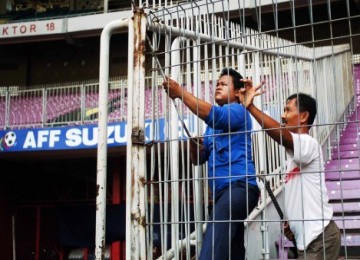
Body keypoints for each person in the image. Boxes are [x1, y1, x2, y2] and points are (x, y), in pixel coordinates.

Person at [162, 68, 259, 260]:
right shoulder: (210, 127)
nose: (218, 87)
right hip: (223, 193)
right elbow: (198, 159)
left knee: (215, 239)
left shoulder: (239, 110)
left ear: (237, 92)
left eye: (224, 84)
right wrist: (194, 147)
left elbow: (217, 116)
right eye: (217, 84)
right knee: (232, 248)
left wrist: (180, 93)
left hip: (239, 187)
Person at [239, 79, 341, 260]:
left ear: (303, 117)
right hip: (309, 240)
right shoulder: (293, 157)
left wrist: (251, 107)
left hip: (319, 239)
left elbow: (282, 136)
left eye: (288, 110)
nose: (283, 116)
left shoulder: (309, 144)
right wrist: (292, 224)